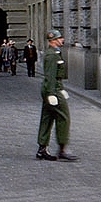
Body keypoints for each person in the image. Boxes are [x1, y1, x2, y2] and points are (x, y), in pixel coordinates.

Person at [36, 29, 78, 162]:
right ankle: (62, 149)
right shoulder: (52, 55)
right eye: (60, 38)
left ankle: (42, 149)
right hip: (53, 89)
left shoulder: (54, 53)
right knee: (64, 118)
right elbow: (50, 76)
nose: (62, 40)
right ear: (53, 41)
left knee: (47, 118)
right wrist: (52, 94)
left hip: (53, 88)